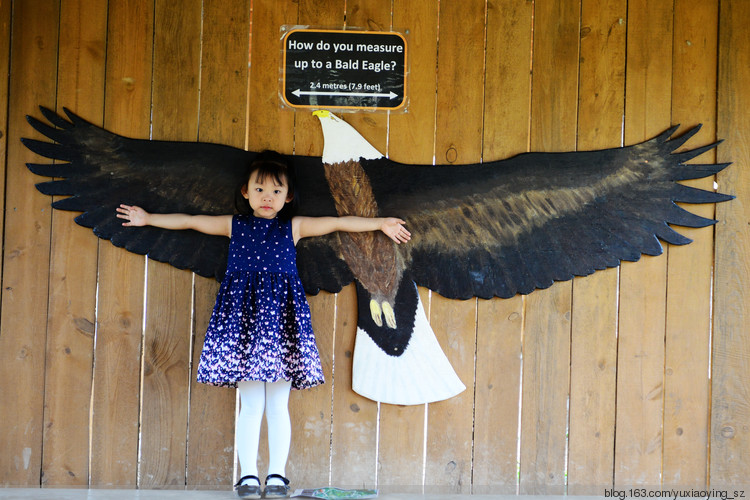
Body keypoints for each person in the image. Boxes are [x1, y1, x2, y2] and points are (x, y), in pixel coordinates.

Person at [116, 152, 410, 499]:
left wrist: (380, 224)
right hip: (243, 321)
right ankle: (248, 478)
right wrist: (147, 218)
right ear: (246, 192)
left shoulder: (294, 226)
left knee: (277, 405)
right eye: (259, 189)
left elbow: (337, 222)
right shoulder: (234, 225)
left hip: (282, 323)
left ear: (287, 197)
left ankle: (276, 477)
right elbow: (191, 221)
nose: (267, 197)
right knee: (252, 403)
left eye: (275, 191)